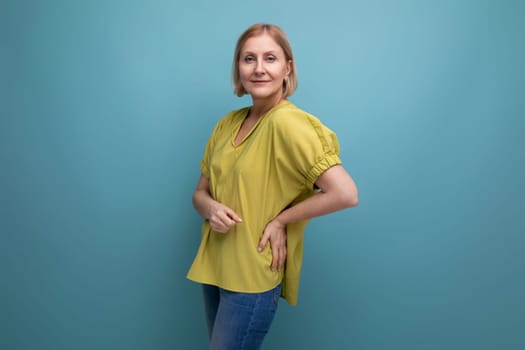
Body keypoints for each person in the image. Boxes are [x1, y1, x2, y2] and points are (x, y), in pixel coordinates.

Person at [187, 23, 359, 350]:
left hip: (251, 276)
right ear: (238, 67)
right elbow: (199, 194)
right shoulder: (227, 123)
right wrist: (210, 208)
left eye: (270, 58)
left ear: (287, 67)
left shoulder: (288, 123)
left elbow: (346, 193)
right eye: (249, 59)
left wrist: (282, 219)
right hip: (216, 268)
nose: (259, 68)